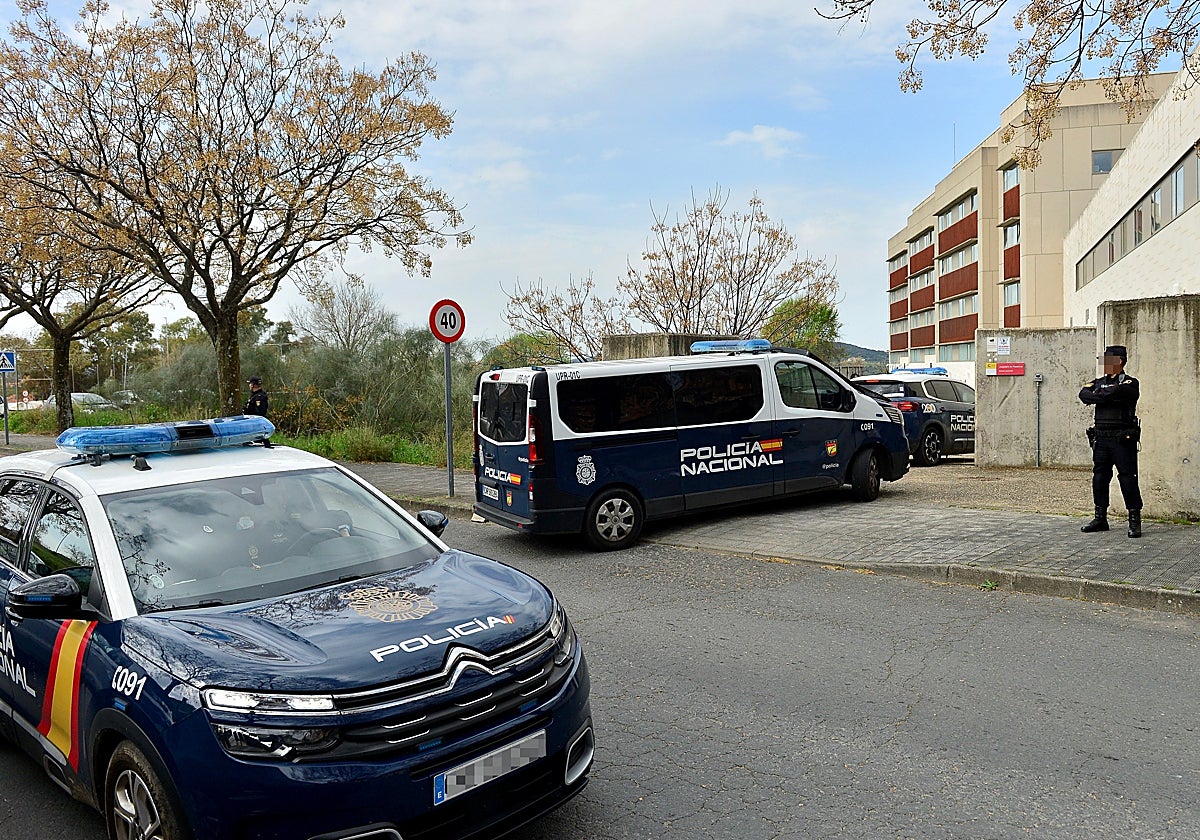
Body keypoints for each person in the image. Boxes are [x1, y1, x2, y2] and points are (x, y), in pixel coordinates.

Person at [1078, 345, 1142, 537]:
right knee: (1099, 478)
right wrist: (1104, 395)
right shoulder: (1098, 382)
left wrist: (1100, 396)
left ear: (1119, 361)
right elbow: (1083, 394)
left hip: (1122, 440)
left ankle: (1134, 520)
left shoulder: (1131, 383)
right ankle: (1100, 518)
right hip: (1101, 439)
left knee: (1127, 478)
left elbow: (1118, 393)